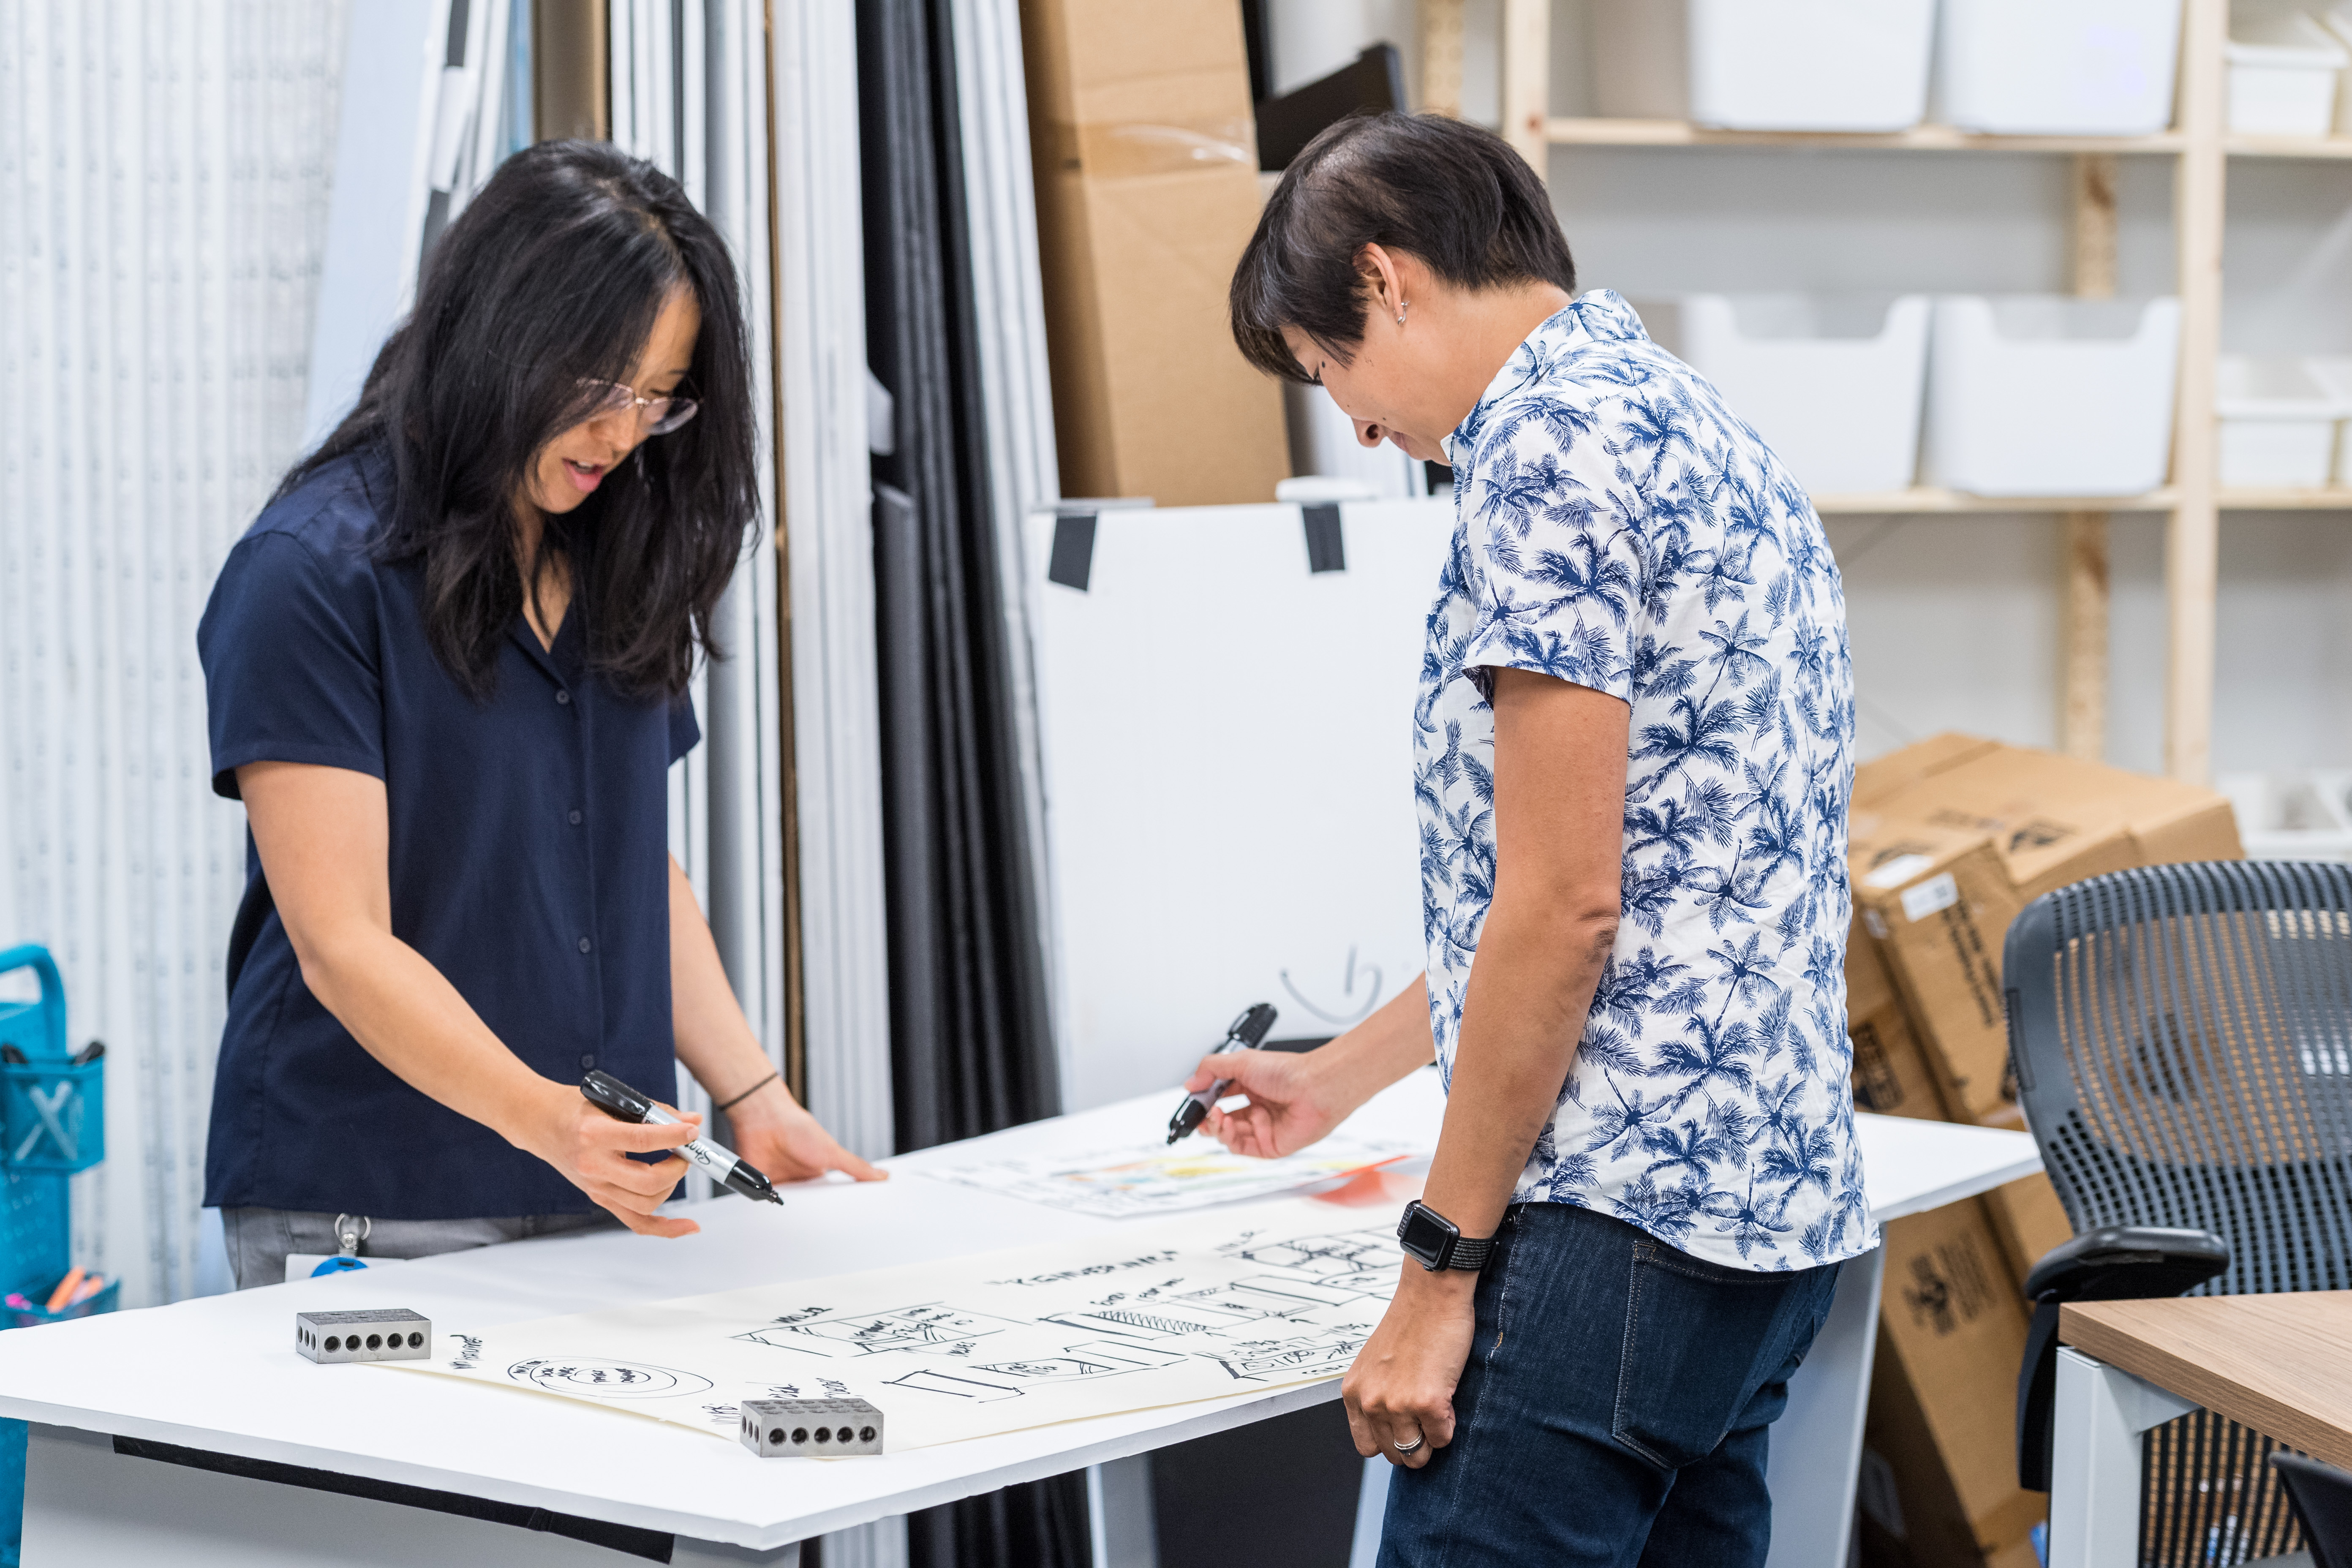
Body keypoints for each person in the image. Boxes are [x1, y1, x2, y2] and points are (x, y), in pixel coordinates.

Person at [1209, 112, 1869, 1565]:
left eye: (1334, 374)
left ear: (1386, 280)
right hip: (1763, 1223)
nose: (1364, 427)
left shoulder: (1543, 453)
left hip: (1608, 1233)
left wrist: (1435, 1273)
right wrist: (1335, 1078)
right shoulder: (1696, 421)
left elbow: (1564, 908)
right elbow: (1629, 877)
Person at [199, 141, 880, 1290]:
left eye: (659, 398)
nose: (624, 435)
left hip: (590, 1195)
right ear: (503, 335)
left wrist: (753, 1096)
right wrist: (546, 1120)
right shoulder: (308, 572)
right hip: (373, 1201)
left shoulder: (615, 551)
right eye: (604, 385)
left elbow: (632, 868)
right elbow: (341, 942)